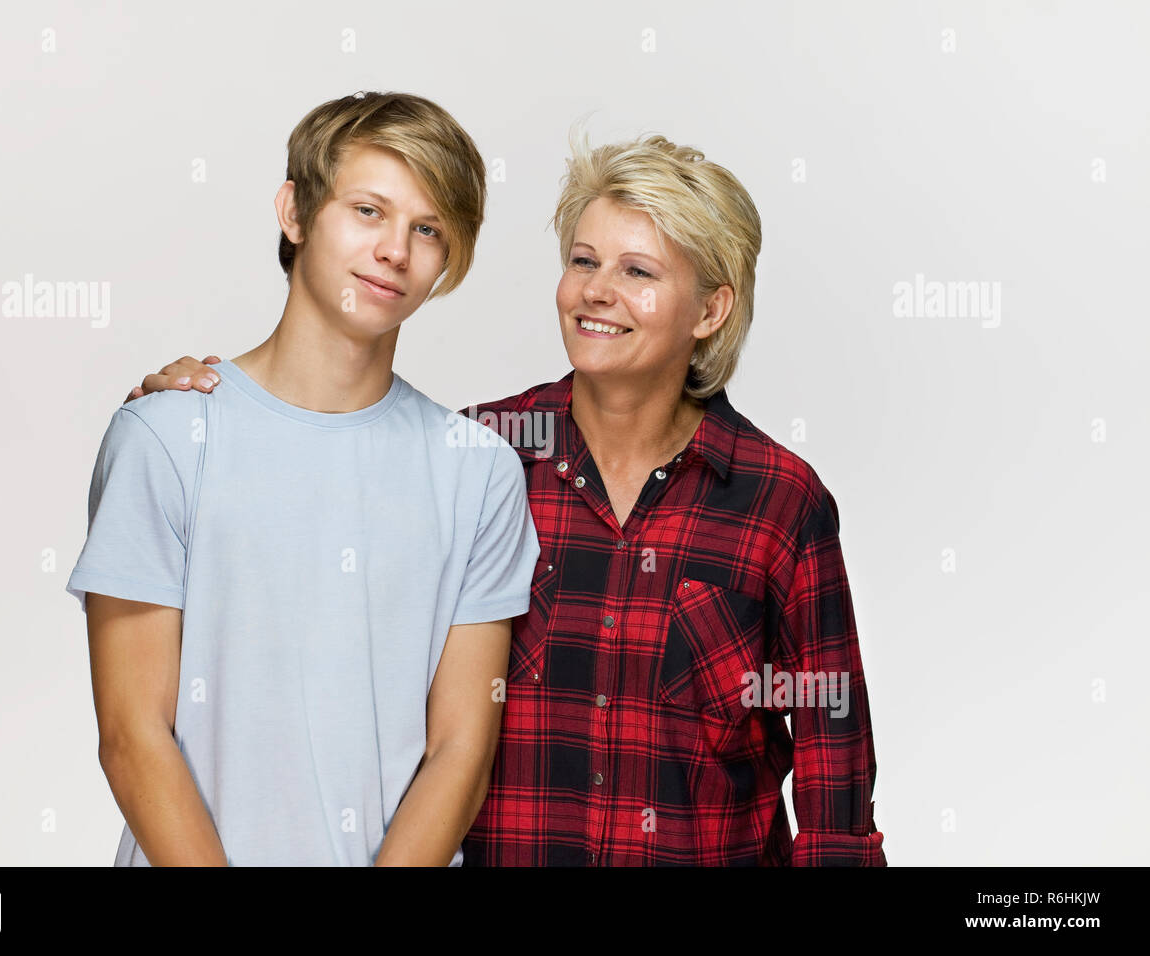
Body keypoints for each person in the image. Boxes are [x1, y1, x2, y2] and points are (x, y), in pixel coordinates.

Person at [129, 128, 886, 866]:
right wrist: (206, 409)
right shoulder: (477, 461)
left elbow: (835, 790)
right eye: (583, 260)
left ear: (711, 311)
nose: (597, 290)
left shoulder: (779, 502)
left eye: (638, 272)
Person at [65, 91, 540, 866]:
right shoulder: (167, 436)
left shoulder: (478, 471)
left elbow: (461, 751)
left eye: (427, 229)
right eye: (368, 211)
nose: (395, 250)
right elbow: (131, 735)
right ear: (294, 212)